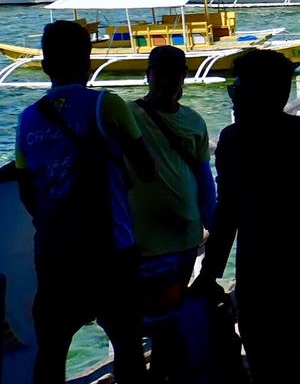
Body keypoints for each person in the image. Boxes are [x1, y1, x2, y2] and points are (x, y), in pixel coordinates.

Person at [193, 49, 300, 382]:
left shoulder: (233, 140)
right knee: (290, 357)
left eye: (237, 89)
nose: (233, 98)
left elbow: (227, 212)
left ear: (259, 94)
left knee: (262, 358)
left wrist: (211, 271)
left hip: (257, 267)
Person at [14, 20, 156, 384]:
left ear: (45, 65)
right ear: (89, 62)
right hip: (111, 250)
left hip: (55, 253)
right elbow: (146, 169)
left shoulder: (28, 119)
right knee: (128, 346)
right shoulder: (107, 105)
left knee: (51, 352)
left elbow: (27, 190)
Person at [127, 45, 216, 382]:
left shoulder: (195, 121)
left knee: (167, 320)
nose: (165, 80)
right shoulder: (127, 116)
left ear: (184, 78)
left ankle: (164, 374)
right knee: (152, 324)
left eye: (172, 74)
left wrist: (213, 225)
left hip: (186, 240)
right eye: (158, 73)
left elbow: (204, 178)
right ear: (148, 76)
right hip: (144, 241)